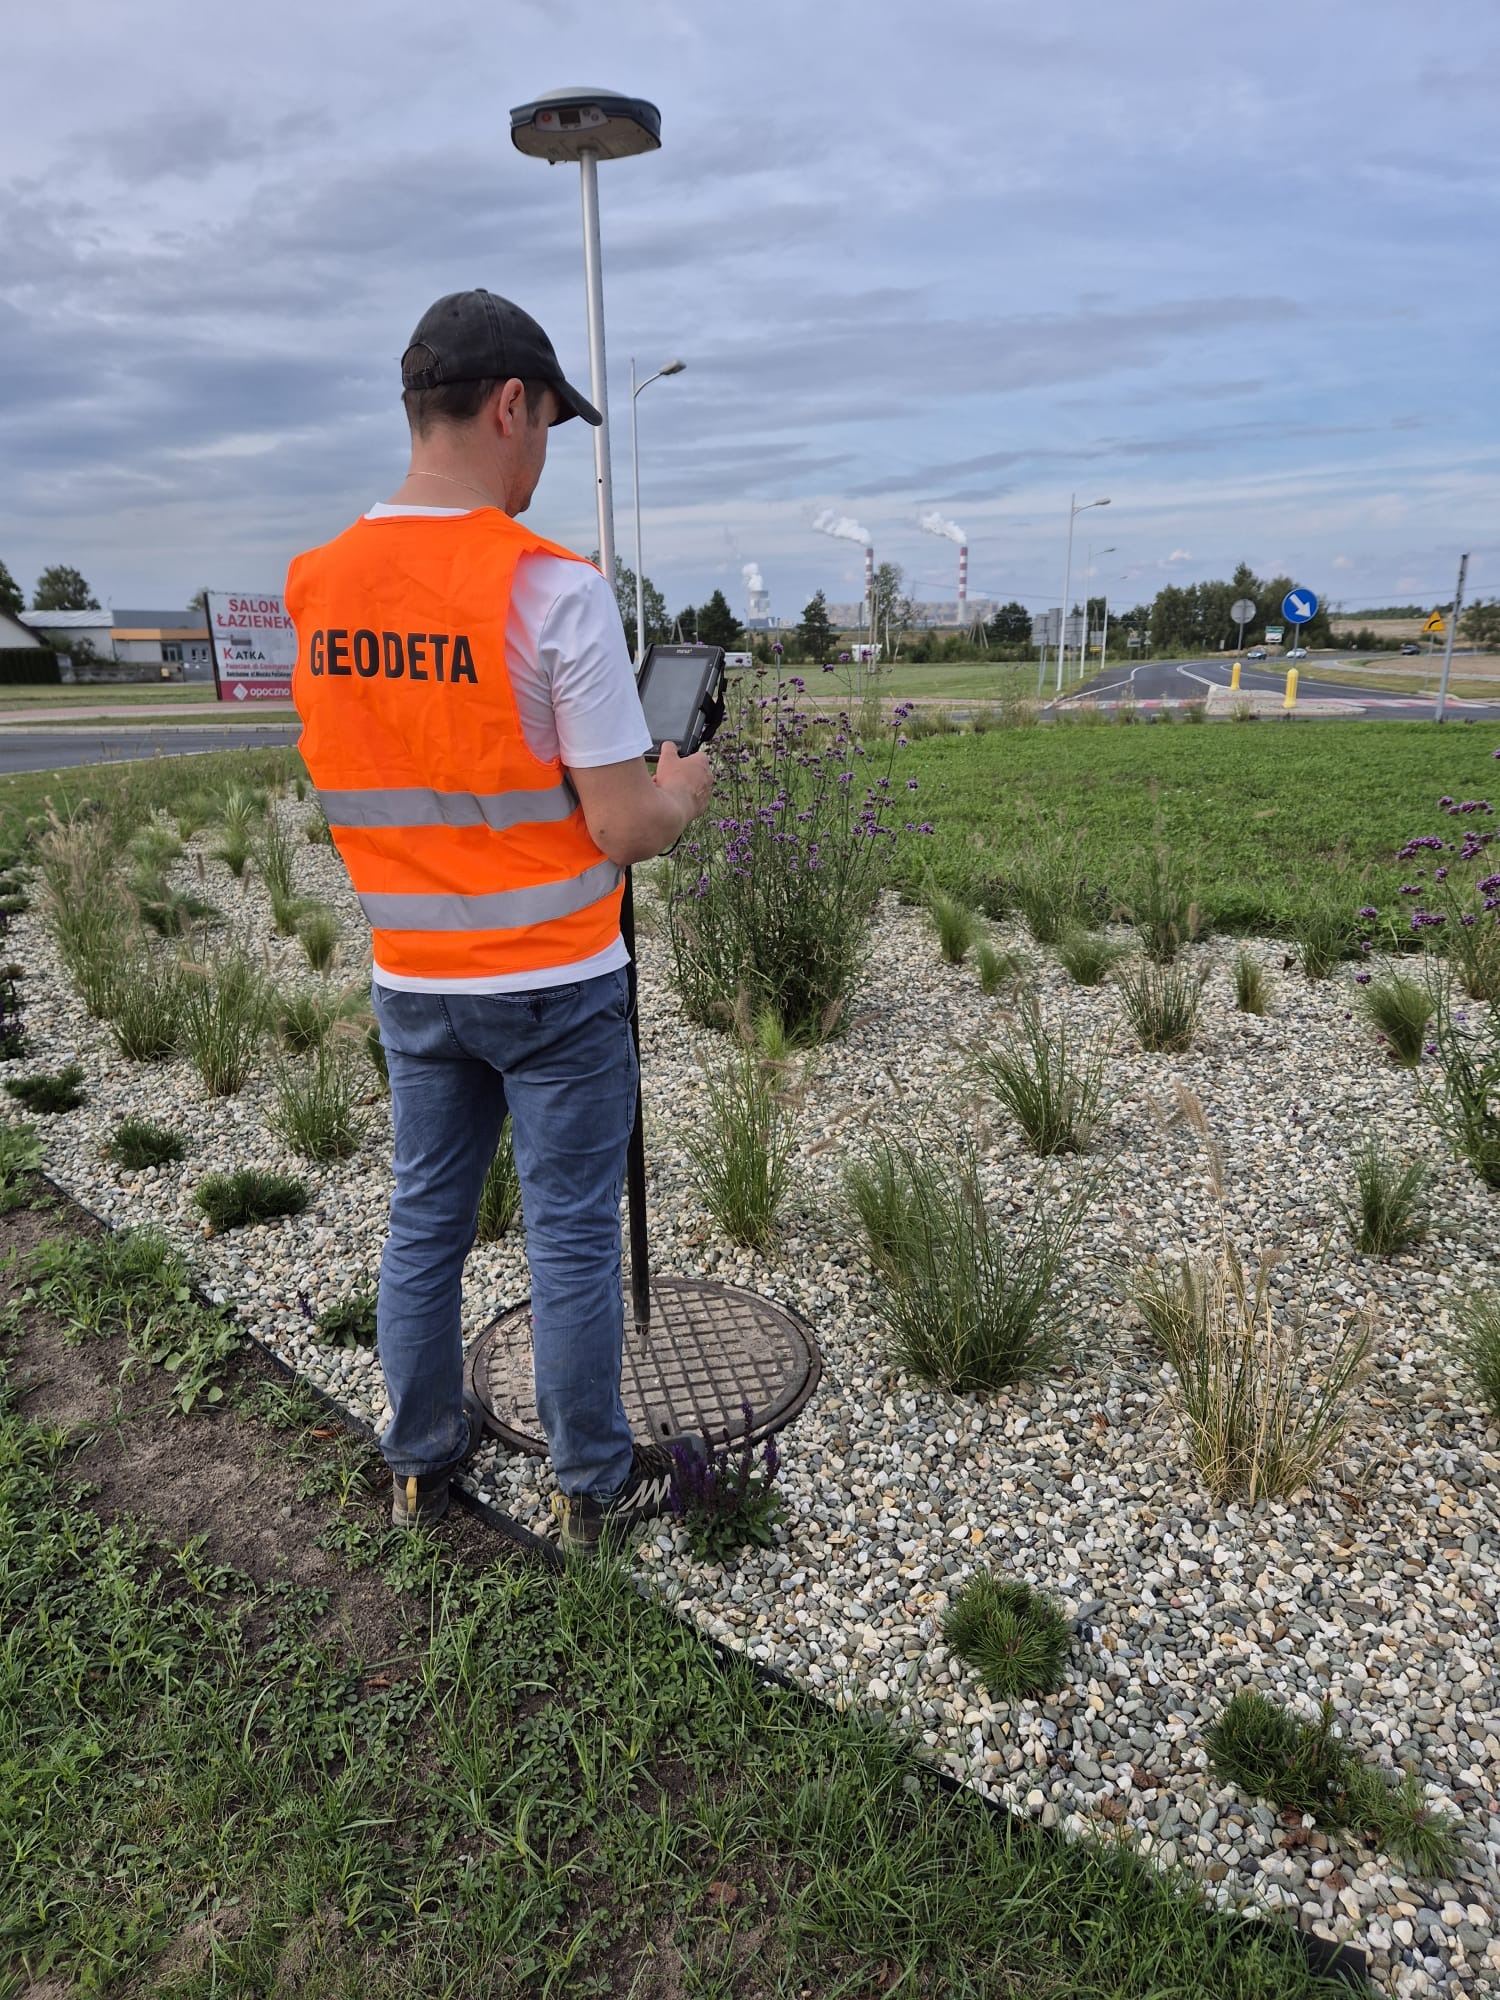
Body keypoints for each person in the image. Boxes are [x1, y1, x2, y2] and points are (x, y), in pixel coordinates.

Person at [286, 288, 714, 1549]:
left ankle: (420, 1461)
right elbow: (624, 825)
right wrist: (684, 788)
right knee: (570, 1234)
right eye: (549, 430)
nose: (543, 462)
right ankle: (587, 1486)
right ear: (509, 406)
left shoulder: (318, 585)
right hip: (555, 979)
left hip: (414, 978)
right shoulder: (550, 590)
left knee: (425, 1215)